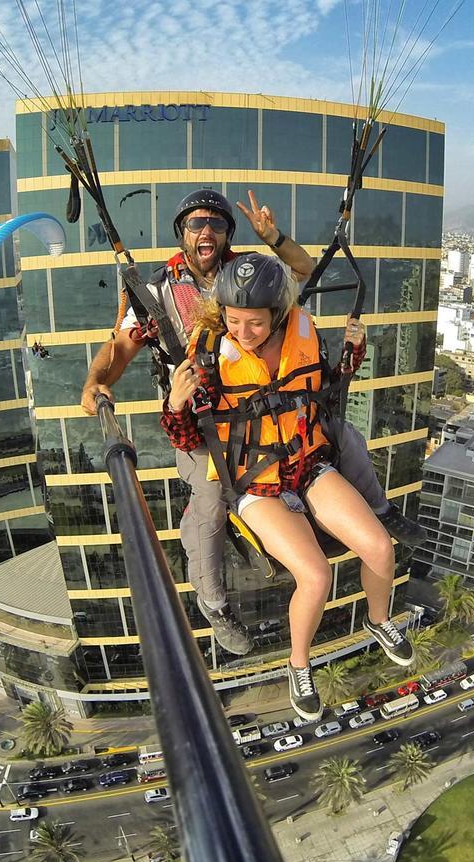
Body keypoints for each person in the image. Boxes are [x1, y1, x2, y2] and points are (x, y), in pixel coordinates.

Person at [80, 190, 425, 657]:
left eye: (217, 224)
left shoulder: (252, 270)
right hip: (203, 417)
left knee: (341, 436)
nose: (207, 232)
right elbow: (120, 347)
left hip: (271, 409)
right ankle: (214, 601)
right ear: (181, 233)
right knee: (209, 498)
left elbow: (303, 271)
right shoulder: (159, 289)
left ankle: (378, 516)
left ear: (227, 235)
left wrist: (275, 237)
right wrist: (97, 382)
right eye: (196, 223)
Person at [161, 253, 414, 721]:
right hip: (255, 484)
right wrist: (176, 403)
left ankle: (379, 621)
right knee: (315, 576)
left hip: (307, 465)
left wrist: (351, 353)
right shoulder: (212, 357)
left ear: (277, 315)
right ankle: (300, 665)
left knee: (380, 547)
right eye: (234, 321)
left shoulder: (303, 333)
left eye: (254, 323)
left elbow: (325, 391)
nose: (243, 332)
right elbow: (189, 438)